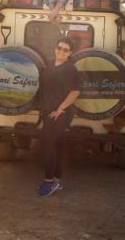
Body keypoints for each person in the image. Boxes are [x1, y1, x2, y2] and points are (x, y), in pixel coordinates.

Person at [37, 37, 82, 197]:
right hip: (50, 112)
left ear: (70, 52)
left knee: (47, 144)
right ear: (55, 48)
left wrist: (60, 109)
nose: (61, 51)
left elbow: (75, 91)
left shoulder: (70, 69)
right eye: (59, 48)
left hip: (60, 114)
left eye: (65, 50)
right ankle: (56, 180)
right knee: (58, 144)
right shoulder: (50, 64)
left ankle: (49, 182)